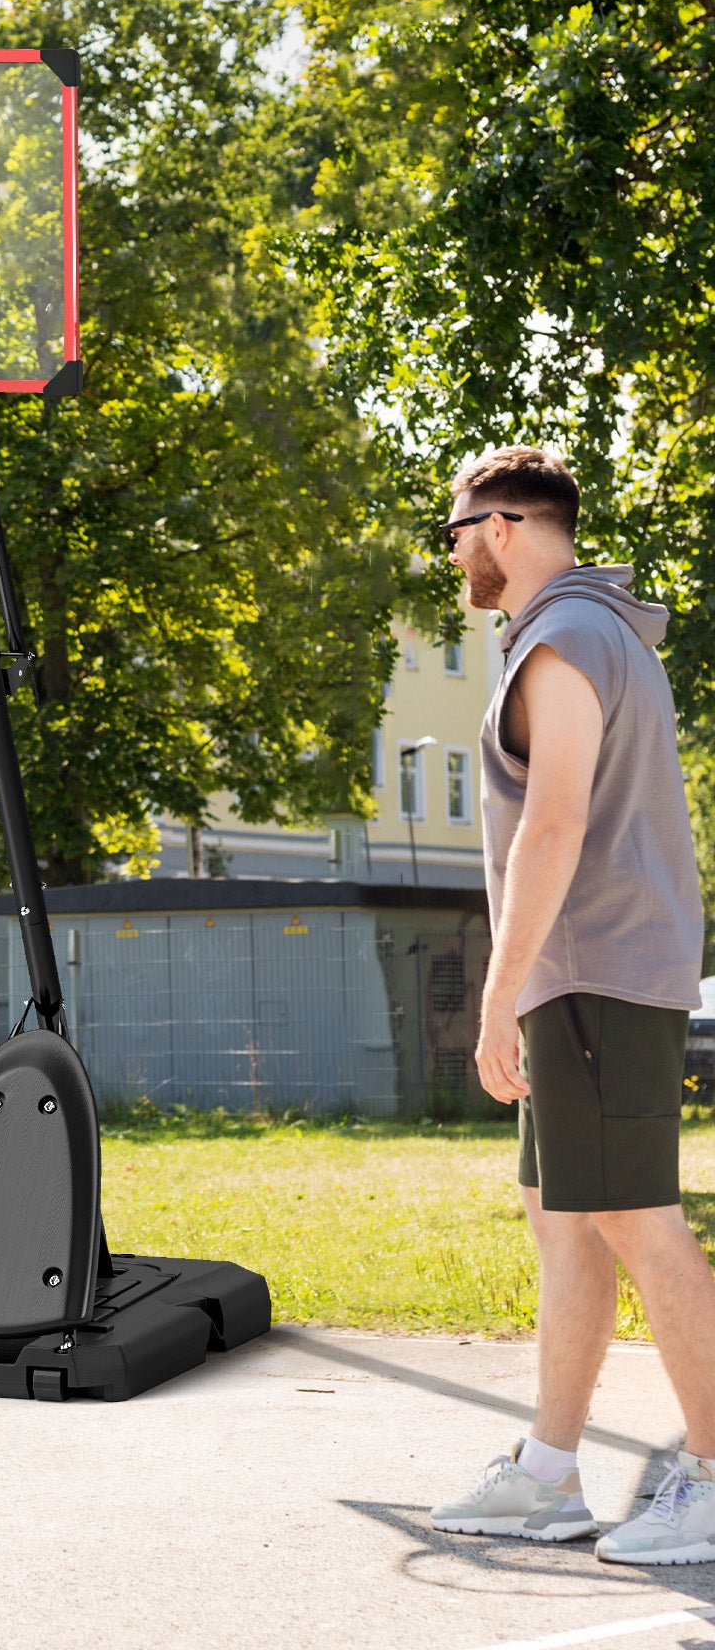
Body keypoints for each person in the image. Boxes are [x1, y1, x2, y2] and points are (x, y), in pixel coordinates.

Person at [428, 447, 715, 1564]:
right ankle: (547, 1471)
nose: (448, 553)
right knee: (568, 1222)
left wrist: (495, 996)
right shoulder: (600, 634)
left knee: (636, 1222)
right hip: (582, 973)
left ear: (500, 525)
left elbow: (553, 826)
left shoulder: (563, 638)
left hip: (590, 967)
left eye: (449, 531)